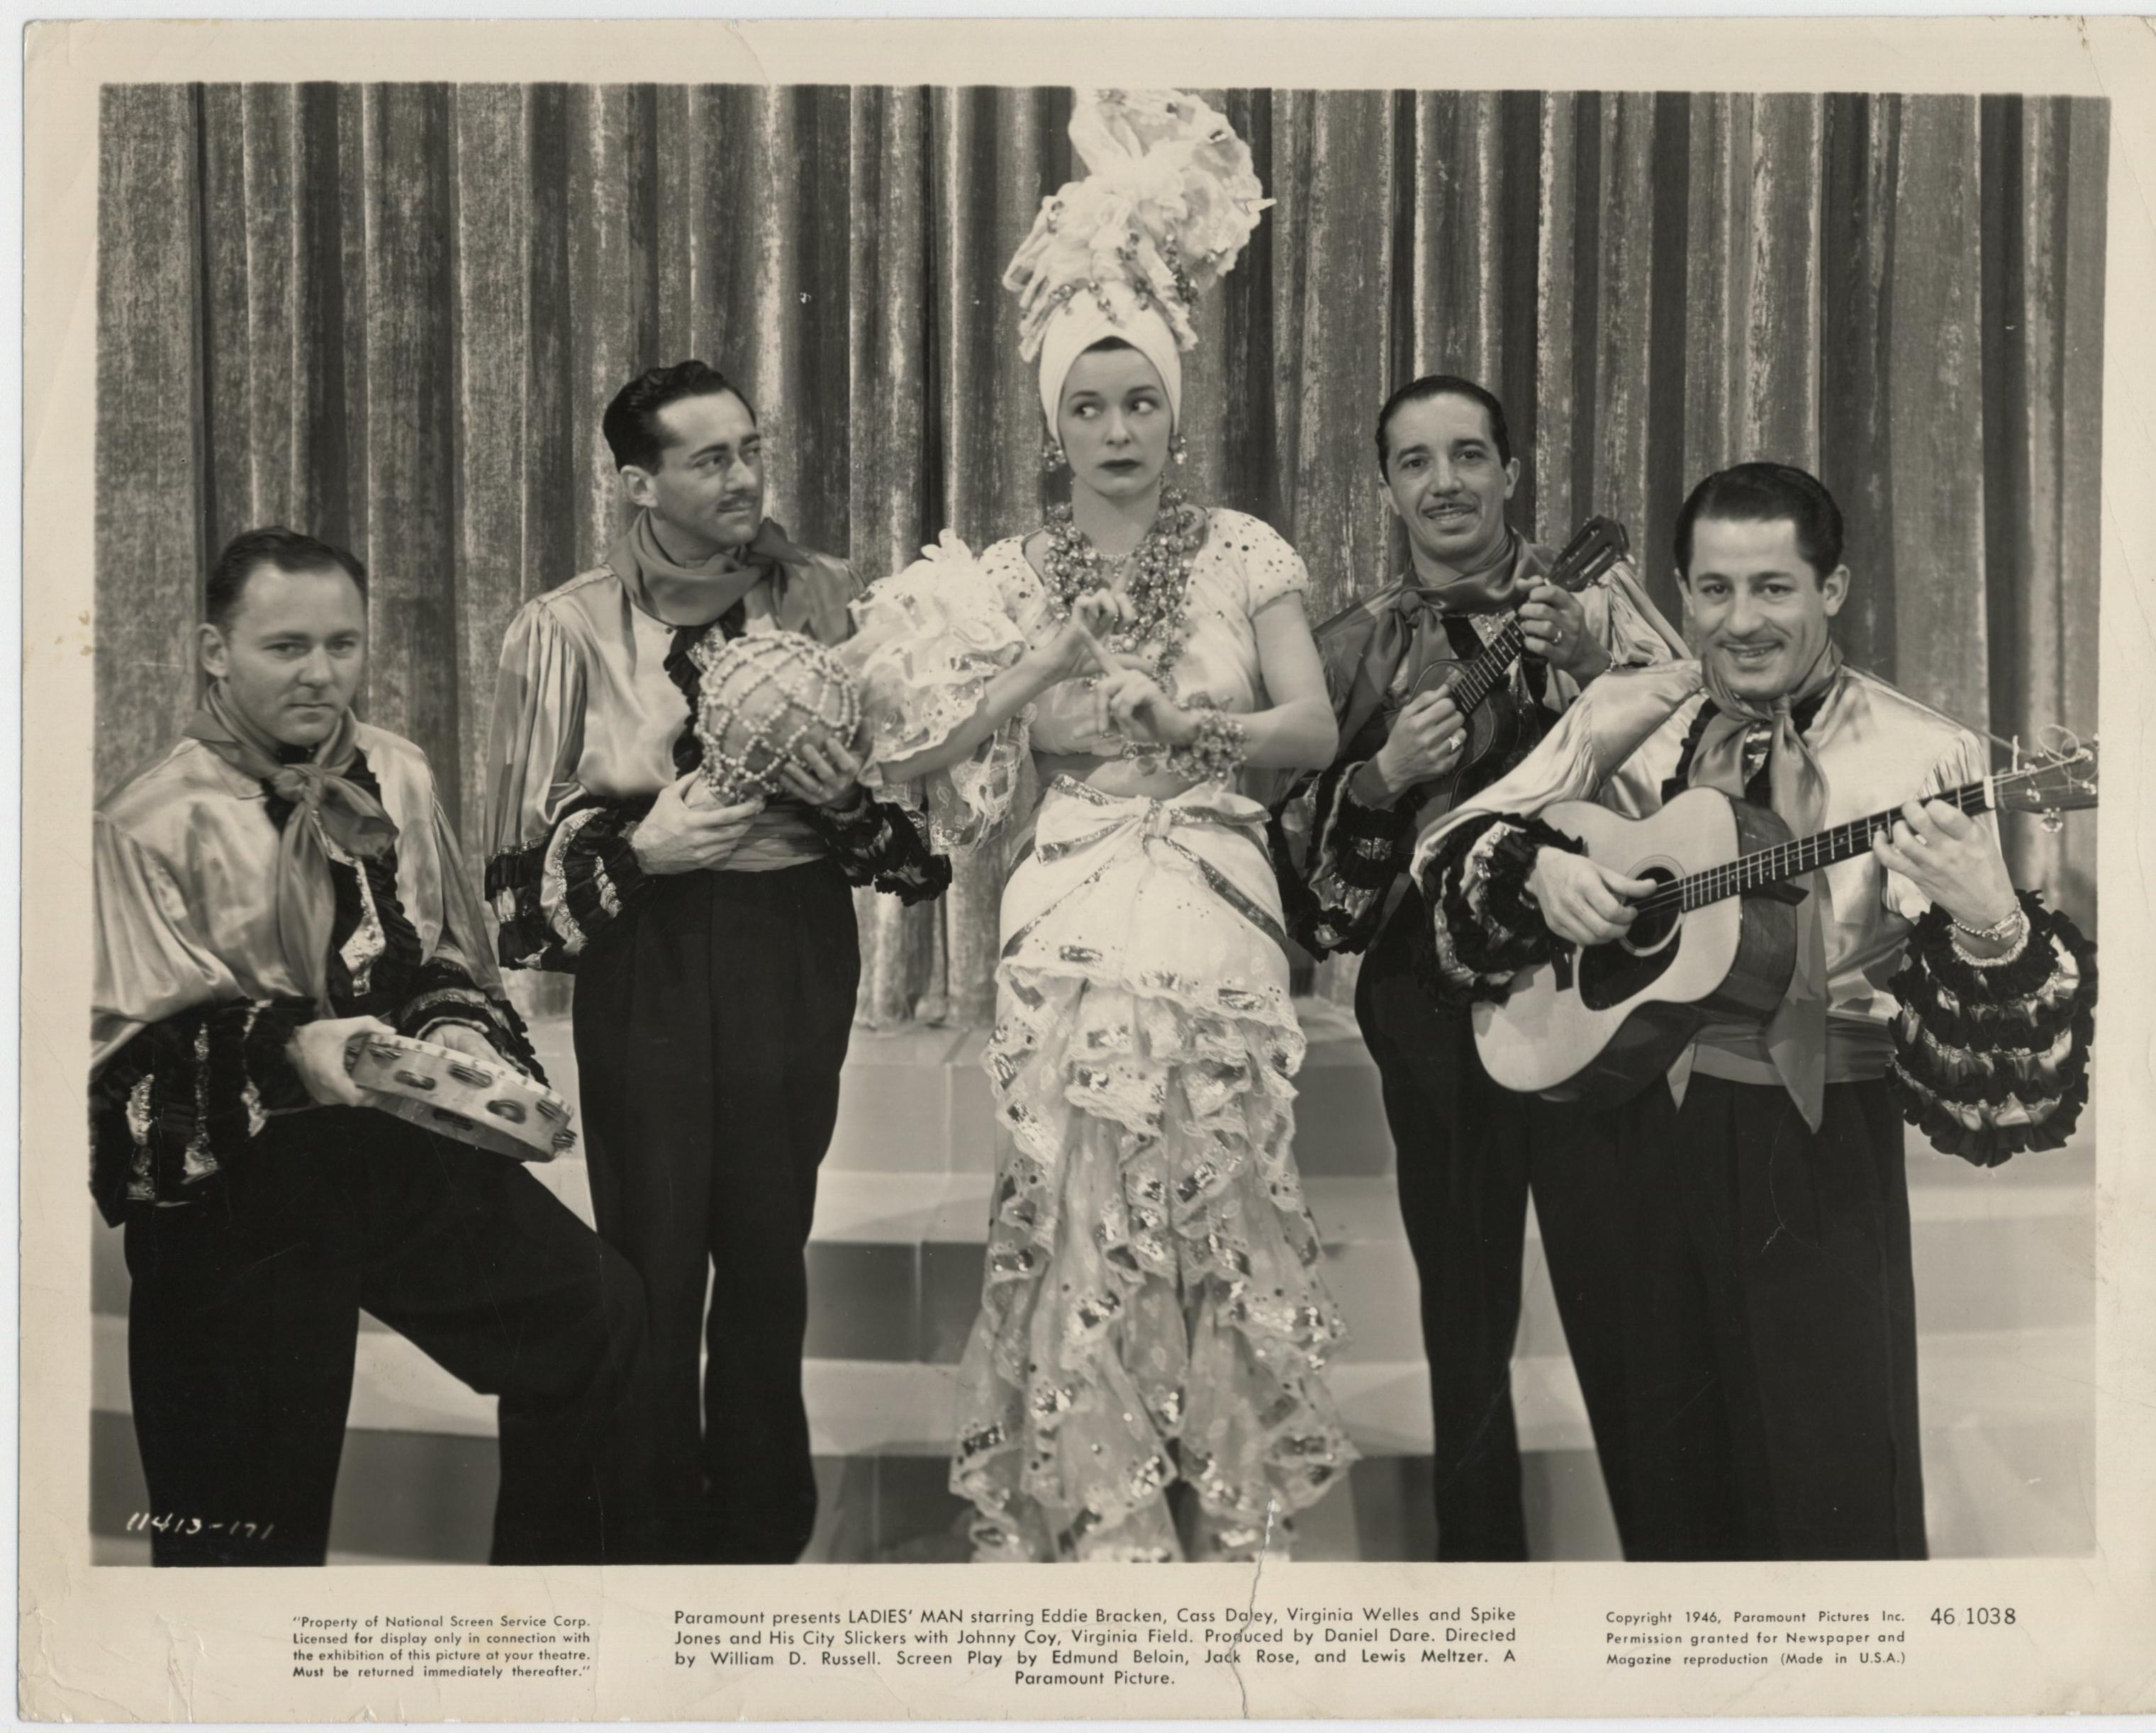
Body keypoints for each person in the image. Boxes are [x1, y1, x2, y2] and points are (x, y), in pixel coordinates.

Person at [1411, 462, 2096, 1560]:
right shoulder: (1623, 712)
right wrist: (1538, 869)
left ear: (1832, 589)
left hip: (1810, 1142)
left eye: (1773, 587)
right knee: (1668, 1508)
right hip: (1621, 1136)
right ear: (1680, 593)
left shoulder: (1923, 753)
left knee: (1836, 1507)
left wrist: (1988, 920)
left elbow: (2004, 1080)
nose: (1741, 622)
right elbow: (1451, 850)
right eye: (1715, 590)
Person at [844, 89, 1354, 1563]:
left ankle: (1234, 1497)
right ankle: (1101, 1502)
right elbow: (922, 747)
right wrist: (1040, 673)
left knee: (1222, 1183)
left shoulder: (1245, 550)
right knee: (1074, 1191)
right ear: (1052, 419)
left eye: (1139, 402)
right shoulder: (1010, 573)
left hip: (1214, 886)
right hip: (1070, 891)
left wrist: (1192, 728)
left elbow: (1311, 729)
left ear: (1175, 411)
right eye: (1087, 405)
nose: (1116, 429)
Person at [91, 527, 649, 1567]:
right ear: (215, 651)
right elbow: (119, 1073)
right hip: (234, 1189)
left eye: (342, 645)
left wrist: (448, 1024)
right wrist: (295, 1052)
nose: (321, 672)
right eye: (286, 647)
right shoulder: (145, 820)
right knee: (246, 1534)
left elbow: (442, 948)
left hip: (388, 1141)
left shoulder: (395, 768)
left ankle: (536, 1625)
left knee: (596, 1317)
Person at [485, 360, 949, 1565]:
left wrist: (845, 802)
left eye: (751, 448)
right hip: (648, 956)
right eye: (710, 458)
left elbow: (912, 840)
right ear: (637, 483)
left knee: (765, 1247)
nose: (745, 476)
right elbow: (515, 893)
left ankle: (756, 1533)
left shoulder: (823, 600)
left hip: (792, 943)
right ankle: (644, 1536)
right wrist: (642, 850)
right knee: (649, 1256)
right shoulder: (564, 628)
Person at [1269, 373, 1685, 1560]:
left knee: (1628, 1289)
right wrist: (1380, 777)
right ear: (1386, 487)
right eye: (1415, 461)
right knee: (1464, 1304)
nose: (1444, 482)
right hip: (1427, 997)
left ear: (1510, 471)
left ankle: (1673, 1572)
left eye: (1466, 455)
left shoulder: (1597, 610)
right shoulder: (1355, 647)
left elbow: (1702, 781)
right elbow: (1312, 890)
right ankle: (1481, 1577)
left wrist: (1593, 667)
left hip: (1596, 975)